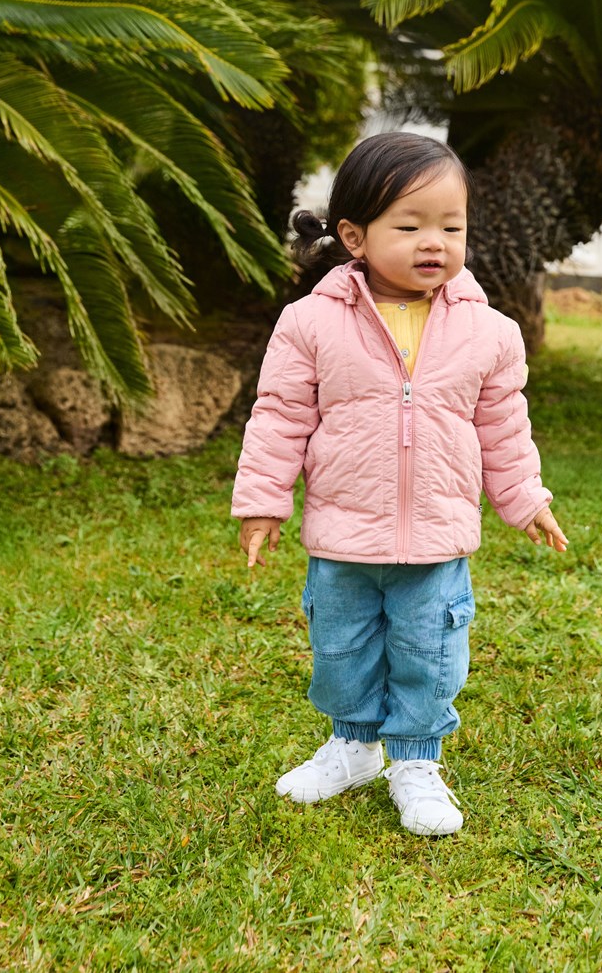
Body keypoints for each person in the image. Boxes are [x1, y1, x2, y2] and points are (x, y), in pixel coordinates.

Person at [232, 131, 568, 836]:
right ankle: (350, 745)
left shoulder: (490, 334)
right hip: (344, 534)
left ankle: (416, 760)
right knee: (342, 648)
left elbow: (504, 428)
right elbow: (280, 415)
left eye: (452, 226)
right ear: (354, 235)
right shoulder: (310, 324)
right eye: (409, 225)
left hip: (438, 538)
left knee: (430, 651)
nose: (434, 242)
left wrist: (525, 498)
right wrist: (264, 502)